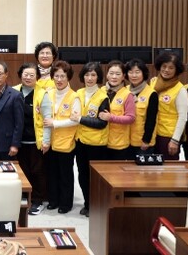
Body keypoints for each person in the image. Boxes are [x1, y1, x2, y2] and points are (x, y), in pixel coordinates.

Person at [13, 62, 52, 216]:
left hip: (36, 141)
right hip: (18, 141)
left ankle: (37, 200)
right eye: (25, 74)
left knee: (37, 171)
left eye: (32, 75)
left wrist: (46, 141)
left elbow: (47, 119)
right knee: (22, 171)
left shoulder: (42, 94)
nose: (28, 77)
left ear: (37, 77)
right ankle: (24, 197)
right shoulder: (14, 91)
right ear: (20, 75)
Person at [70, 61, 109, 217]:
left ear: (98, 77)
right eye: (87, 74)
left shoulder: (103, 97)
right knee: (83, 174)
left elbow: (101, 123)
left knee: (95, 178)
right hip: (80, 142)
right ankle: (87, 203)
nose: (90, 78)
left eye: (93, 75)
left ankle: (96, 205)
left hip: (97, 144)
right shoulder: (78, 93)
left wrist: (80, 119)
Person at [43, 60, 80, 214]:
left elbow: (75, 120)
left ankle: (65, 203)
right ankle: (54, 200)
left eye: (62, 76)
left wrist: (55, 123)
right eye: (56, 76)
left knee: (65, 175)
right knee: (52, 173)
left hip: (66, 143)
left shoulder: (74, 96)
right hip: (50, 141)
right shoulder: (49, 93)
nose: (59, 79)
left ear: (68, 77)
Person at [150, 52, 188, 160]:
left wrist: (175, 140)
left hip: (168, 137)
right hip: (153, 133)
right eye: (164, 66)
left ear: (177, 70)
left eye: (171, 68)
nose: (166, 70)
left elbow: (183, 117)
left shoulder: (180, 90)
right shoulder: (153, 82)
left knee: (168, 168)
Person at [99, 60, 136, 160]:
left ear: (123, 76)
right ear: (107, 75)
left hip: (118, 144)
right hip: (100, 141)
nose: (114, 77)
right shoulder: (101, 91)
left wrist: (111, 117)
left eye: (118, 74)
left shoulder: (127, 95)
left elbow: (131, 118)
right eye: (111, 73)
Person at [126, 58, 158, 158]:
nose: (134, 75)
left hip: (142, 143)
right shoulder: (124, 91)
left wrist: (146, 140)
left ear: (144, 73)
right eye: (130, 72)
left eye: (137, 72)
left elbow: (151, 119)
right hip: (125, 141)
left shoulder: (151, 93)